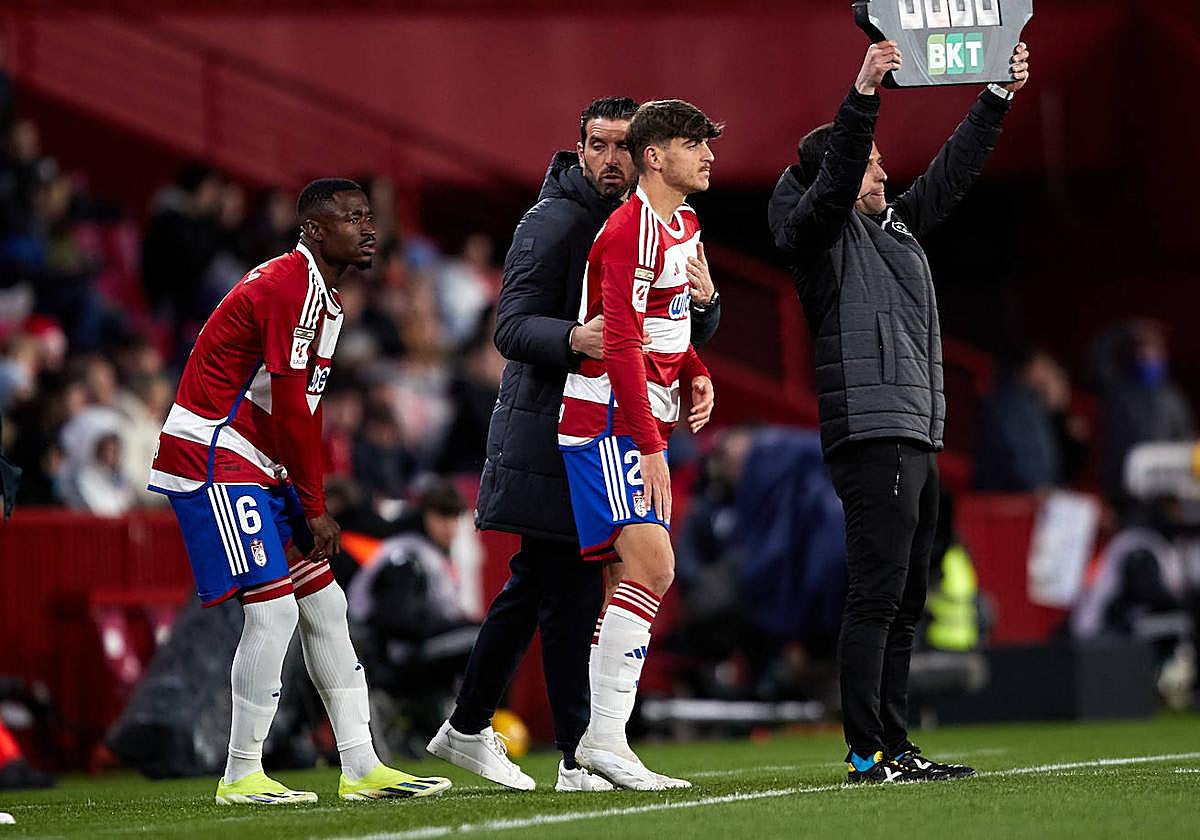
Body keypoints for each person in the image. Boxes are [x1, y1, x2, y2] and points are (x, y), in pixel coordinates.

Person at [427, 97, 722, 792]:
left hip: (607, 415)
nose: (611, 158)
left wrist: (703, 329)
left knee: (550, 588)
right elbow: (509, 328)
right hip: (554, 428)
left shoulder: (662, 221)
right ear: (580, 149)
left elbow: (667, 330)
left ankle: (492, 732)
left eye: (622, 144)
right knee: (563, 588)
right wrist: (573, 339)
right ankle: (573, 750)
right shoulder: (555, 220)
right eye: (599, 145)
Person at [768, 40, 1030, 783]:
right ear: (842, 177)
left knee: (906, 599)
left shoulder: (897, 230)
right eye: (870, 162)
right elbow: (835, 178)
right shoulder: (818, 240)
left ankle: (896, 744)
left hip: (915, 428)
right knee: (877, 595)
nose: (884, 170)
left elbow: (953, 172)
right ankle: (865, 752)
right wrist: (863, 96)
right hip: (873, 430)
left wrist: (996, 98)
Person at [147, 178, 450, 804]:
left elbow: (301, 411)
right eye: (351, 218)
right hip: (213, 452)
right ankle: (240, 773)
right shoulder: (289, 287)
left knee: (327, 607)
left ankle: (362, 765)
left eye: (370, 216)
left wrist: (304, 493)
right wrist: (312, 506)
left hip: (256, 458)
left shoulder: (322, 293)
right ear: (314, 229)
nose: (369, 228)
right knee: (274, 609)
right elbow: (291, 408)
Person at [558, 98, 721, 791]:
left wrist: (695, 370)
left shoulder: (682, 224)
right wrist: (650, 442)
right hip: (606, 419)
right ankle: (604, 742)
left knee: (628, 580)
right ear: (656, 157)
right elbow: (618, 338)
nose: (709, 156)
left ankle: (597, 750)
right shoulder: (629, 233)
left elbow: (662, 326)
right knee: (654, 567)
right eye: (695, 144)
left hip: (637, 416)